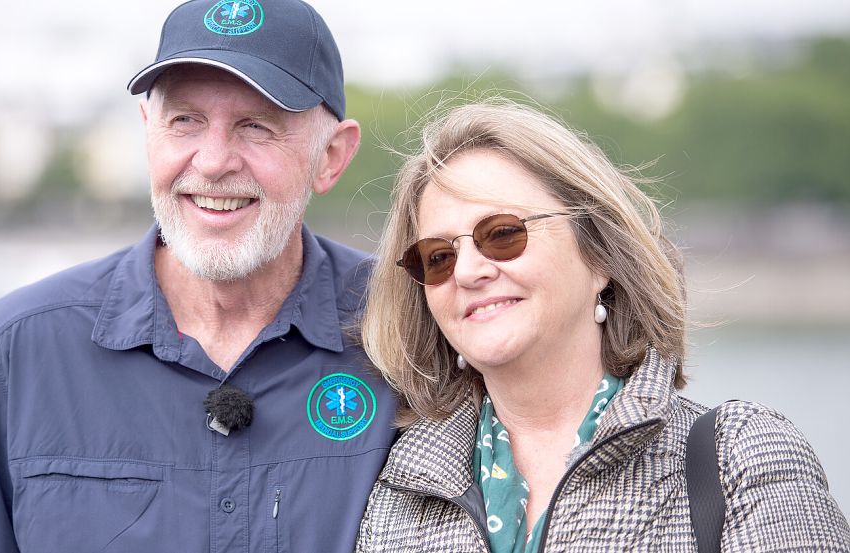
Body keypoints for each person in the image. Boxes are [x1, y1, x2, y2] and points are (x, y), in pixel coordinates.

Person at [0, 1, 397, 551]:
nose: (213, 162)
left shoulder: (411, 332)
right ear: (148, 132)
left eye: (256, 126)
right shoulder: (9, 352)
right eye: (185, 120)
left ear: (331, 156)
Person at [356, 100, 850, 552]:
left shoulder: (735, 460)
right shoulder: (397, 491)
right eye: (438, 257)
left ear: (598, 255)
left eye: (502, 234)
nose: (467, 271)